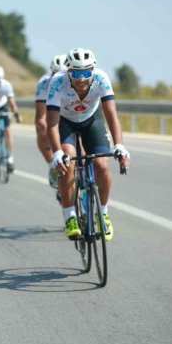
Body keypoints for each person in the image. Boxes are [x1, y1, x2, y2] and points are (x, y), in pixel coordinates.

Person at [46, 48, 131, 241]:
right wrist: (57, 152)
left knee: (102, 165)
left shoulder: (101, 79)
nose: (82, 78)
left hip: (91, 120)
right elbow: (51, 123)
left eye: (86, 73)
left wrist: (119, 145)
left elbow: (112, 116)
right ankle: (70, 217)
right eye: (76, 73)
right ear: (68, 72)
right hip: (65, 123)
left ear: (93, 70)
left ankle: (103, 214)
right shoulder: (58, 82)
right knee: (68, 162)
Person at [35, 54, 67, 188]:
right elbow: (41, 116)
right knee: (40, 128)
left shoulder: (73, 80)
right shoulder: (44, 83)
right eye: (54, 73)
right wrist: (46, 133)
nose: (57, 77)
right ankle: (53, 164)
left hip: (69, 113)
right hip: (52, 114)